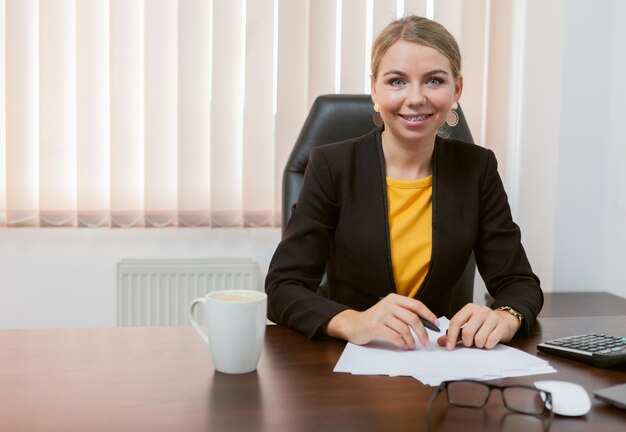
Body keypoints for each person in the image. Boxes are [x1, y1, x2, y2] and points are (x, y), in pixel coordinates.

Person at [265, 15, 543, 352]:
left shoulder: (477, 168)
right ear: (375, 91)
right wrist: (352, 321)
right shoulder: (332, 166)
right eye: (397, 82)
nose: (415, 98)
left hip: (444, 361)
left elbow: (518, 282)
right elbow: (283, 287)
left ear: (457, 89)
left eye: (433, 81)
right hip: (353, 362)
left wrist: (506, 316)